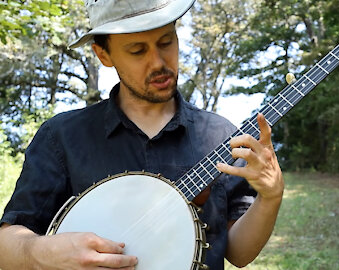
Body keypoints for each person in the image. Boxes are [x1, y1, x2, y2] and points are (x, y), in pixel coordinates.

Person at [0, 0, 284, 269]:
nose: (158, 62)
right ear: (104, 55)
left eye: (166, 42)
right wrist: (43, 253)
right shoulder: (61, 137)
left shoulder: (220, 135)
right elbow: (6, 244)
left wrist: (270, 197)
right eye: (137, 50)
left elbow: (239, 253)